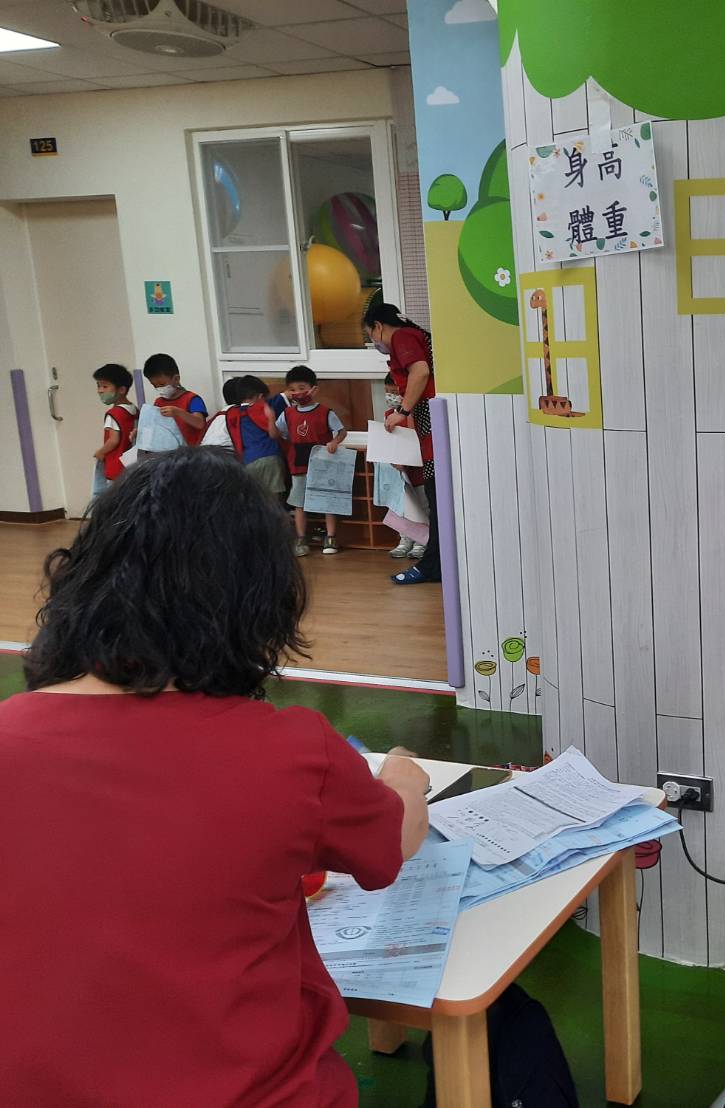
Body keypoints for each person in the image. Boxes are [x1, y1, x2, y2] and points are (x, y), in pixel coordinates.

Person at [0, 448, 431, 1105]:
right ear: (257, 602)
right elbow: (390, 846)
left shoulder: (10, 733)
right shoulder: (292, 753)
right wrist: (404, 776)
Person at [365, 303, 440, 585]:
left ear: (378, 326)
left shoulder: (402, 337)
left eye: (371, 335)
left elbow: (419, 372)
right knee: (436, 498)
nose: (375, 342)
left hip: (431, 422)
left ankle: (433, 565)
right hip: (429, 421)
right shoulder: (415, 336)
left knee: (437, 495)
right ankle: (436, 562)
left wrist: (402, 411)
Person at [277, 365, 347, 557]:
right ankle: (301, 538)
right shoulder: (287, 413)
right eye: (292, 389)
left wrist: (334, 442)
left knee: (327, 500)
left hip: (322, 463)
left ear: (314, 389)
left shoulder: (326, 412)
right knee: (299, 503)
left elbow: (342, 431)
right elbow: (280, 433)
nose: (297, 393)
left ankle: (331, 536)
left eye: (302, 388)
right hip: (298, 464)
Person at [379, 372, 430, 560]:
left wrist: (406, 460)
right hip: (398, 472)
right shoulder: (388, 415)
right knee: (402, 507)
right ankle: (405, 540)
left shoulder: (417, 413)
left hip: (418, 469)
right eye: (388, 392)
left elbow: (418, 442)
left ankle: (422, 541)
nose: (391, 396)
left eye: (395, 392)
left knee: (422, 506)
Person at [225, 374, 286, 499]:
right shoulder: (262, 408)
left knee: (256, 501)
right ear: (260, 396)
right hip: (269, 458)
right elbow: (273, 434)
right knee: (273, 501)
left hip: (248, 462)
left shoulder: (233, 413)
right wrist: (272, 418)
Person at [90, 362, 136, 497]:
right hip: (132, 464)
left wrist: (100, 452)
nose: (100, 390)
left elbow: (113, 440)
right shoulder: (134, 410)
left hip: (116, 467)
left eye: (105, 386)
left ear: (121, 390)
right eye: (98, 386)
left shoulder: (114, 413)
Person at [143, 352, 208, 446]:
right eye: (154, 385)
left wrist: (178, 412)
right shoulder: (158, 402)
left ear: (176, 379)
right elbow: (154, 426)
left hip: (192, 452)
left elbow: (200, 423)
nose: (159, 388)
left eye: (162, 384)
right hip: (167, 451)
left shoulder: (192, 399)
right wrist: (141, 432)